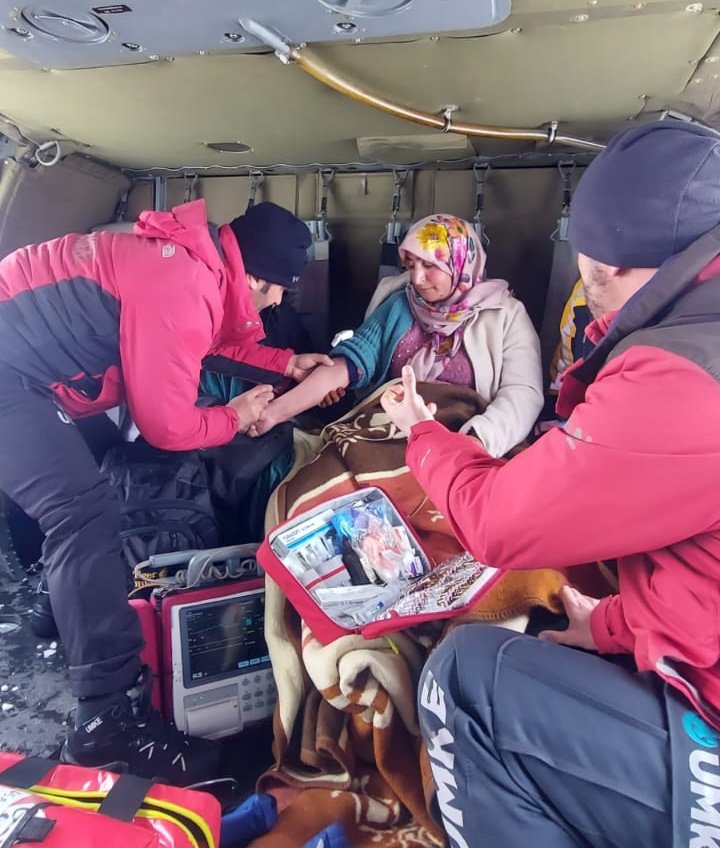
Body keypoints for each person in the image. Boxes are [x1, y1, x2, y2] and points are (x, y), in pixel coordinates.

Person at [380, 120, 720, 847]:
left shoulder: (681, 373)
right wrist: (606, 626)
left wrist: (431, 435)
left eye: (593, 279)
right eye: (411, 265)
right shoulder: (394, 310)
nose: (419, 279)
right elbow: (700, 590)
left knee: (460, 677)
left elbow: (512, 453)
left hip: (465, 453)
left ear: (633, 270)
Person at [0, 197, 330, 784]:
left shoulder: (190, 264)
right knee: (85, 512)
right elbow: (167, 425)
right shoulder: (181, 282)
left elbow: (200, 337)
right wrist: (230, 416)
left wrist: (283, 364)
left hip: (25, 367)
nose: (277, 300)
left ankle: (64, 611)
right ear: (253, 274)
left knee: (88, 484)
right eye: (276, 287)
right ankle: (107, 722)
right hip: (10, 375)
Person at [252, 214, 544, 459]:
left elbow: (523, 394)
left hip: (471, 439)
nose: (417, 279)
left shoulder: (506, 315)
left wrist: (477, 441)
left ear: (459, 262)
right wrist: (273, 414)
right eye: (411, 266)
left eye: (429, 266)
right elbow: (345, 366)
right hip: (392, 437)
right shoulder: (400, 304)